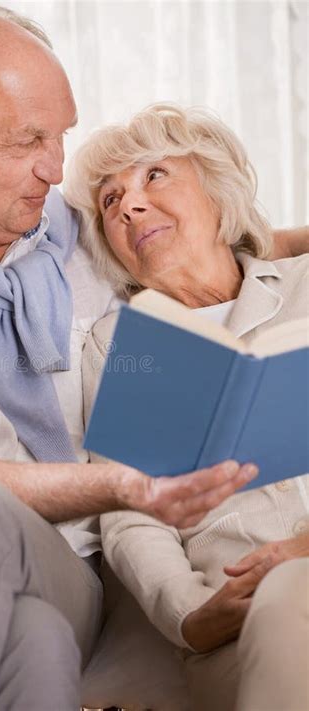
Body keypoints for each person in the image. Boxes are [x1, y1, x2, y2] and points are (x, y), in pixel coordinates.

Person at [0, 10, 262, 711]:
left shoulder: (74, 233)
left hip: (59, 566)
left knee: (28, 607)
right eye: (28, 139)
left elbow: (218, 240)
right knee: (27, 632)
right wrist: (124, 485)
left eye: (60, 134)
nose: (55, 167)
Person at [65, 102, 309, 711]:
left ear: (216, 186)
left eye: (153, 175)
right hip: (248, 618)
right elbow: (131, 516)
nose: (129, 205)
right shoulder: (120, 347)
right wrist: (190, 616)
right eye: (109, 201)